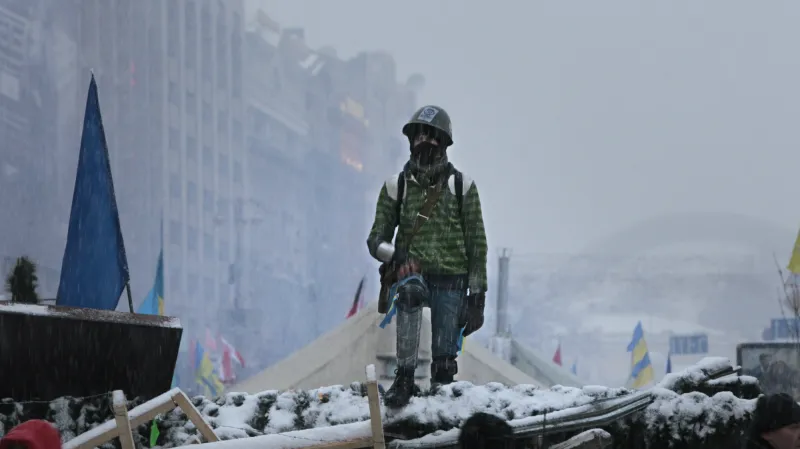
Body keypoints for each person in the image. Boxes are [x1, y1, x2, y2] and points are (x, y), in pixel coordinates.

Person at [367, 105, 488, 407]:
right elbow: (375, 240)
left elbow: (476, 244)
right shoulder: (397, 186)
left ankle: (441, 396)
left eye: (432, 136)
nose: (425, 141)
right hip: (412, 275)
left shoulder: (461, 187)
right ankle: (404, 378)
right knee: (409, 294)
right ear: (411, 141)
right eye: (420, 136)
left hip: (452, 280)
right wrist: (398, 256)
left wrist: (477, 298)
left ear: (444, 143)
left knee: (444, 366)